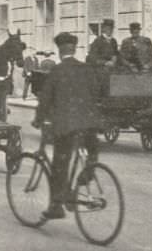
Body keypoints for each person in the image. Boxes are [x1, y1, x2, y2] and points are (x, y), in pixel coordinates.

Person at [33, 32, 103, 221]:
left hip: (67, 125)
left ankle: (56, 206)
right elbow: (96, 91)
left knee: (59, 164)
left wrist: (38, 118)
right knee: (89, 146)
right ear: (74, 49)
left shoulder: (57, 70)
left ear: (59, 50)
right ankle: (90, 166)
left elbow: (45, 97)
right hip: (89, 123)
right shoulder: (86, 68)